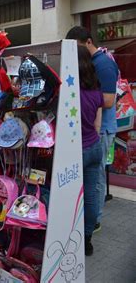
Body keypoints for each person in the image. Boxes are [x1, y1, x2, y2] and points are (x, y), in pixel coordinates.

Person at [66, 26, 119, 233]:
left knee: (95, 180)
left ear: (88, 42)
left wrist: (83, 98)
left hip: (101, 130)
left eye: (78, 48)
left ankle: (94, 222)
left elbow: (107, 100)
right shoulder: (91, 63)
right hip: (91, 131)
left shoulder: (103, 64)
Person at [77, 45, 103, 256]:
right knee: (91, 197)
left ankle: (72, 238)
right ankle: (87, 240)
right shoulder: (96, 88)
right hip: (95, 146)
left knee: (71, 197)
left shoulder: (70, 91)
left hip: (78, 150)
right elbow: (97, 124)